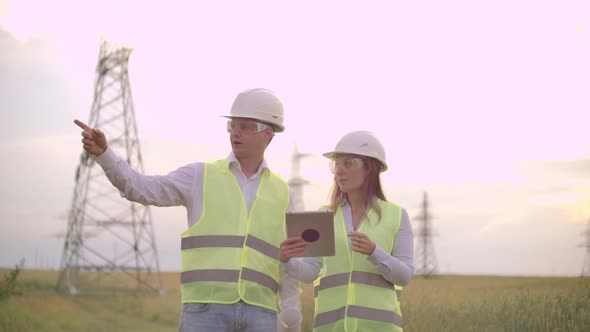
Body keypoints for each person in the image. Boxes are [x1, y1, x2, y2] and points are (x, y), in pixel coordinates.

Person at [75, 88, 302, 332]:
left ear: (268, 134)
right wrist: (106, 156)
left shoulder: (283, 193)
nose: (235, 133)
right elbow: (141, 188)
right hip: (204, 311)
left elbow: (289, 258)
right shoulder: (199, 176)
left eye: (245, 126)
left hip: (262, 312)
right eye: (232, 126)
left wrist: (292, 312)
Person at [279, 131, 414, 332]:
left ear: (371, 168)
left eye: (348, 164)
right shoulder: (323, 216)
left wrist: (374, 252)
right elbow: (310, 273)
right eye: (336, 164)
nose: (338, 171)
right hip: (330, 327)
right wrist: (287, 260)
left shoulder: (397, 215)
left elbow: (404, 276)